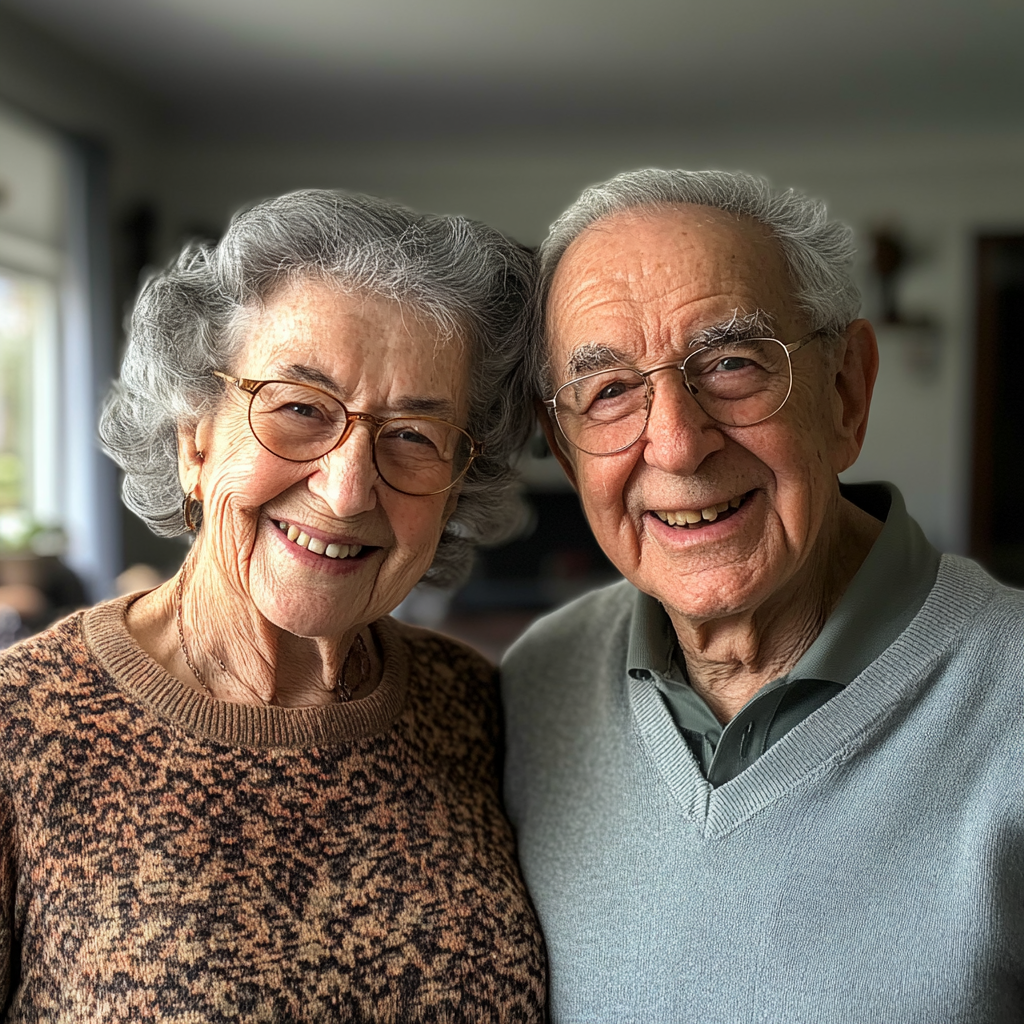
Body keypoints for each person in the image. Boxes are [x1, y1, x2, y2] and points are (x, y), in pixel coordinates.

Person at [0, 189, 546, 1022]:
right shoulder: (19, 729)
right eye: (298, 410)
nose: (348, 485)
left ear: (459, 485)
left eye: (412, 435)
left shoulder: (474, 707)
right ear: (194, 437)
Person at [502, 169, 1024, 1021]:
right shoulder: (537, 683)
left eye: (732, 364)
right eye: (608, 392)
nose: (674, 443)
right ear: (566, 457)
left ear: (847, 393)